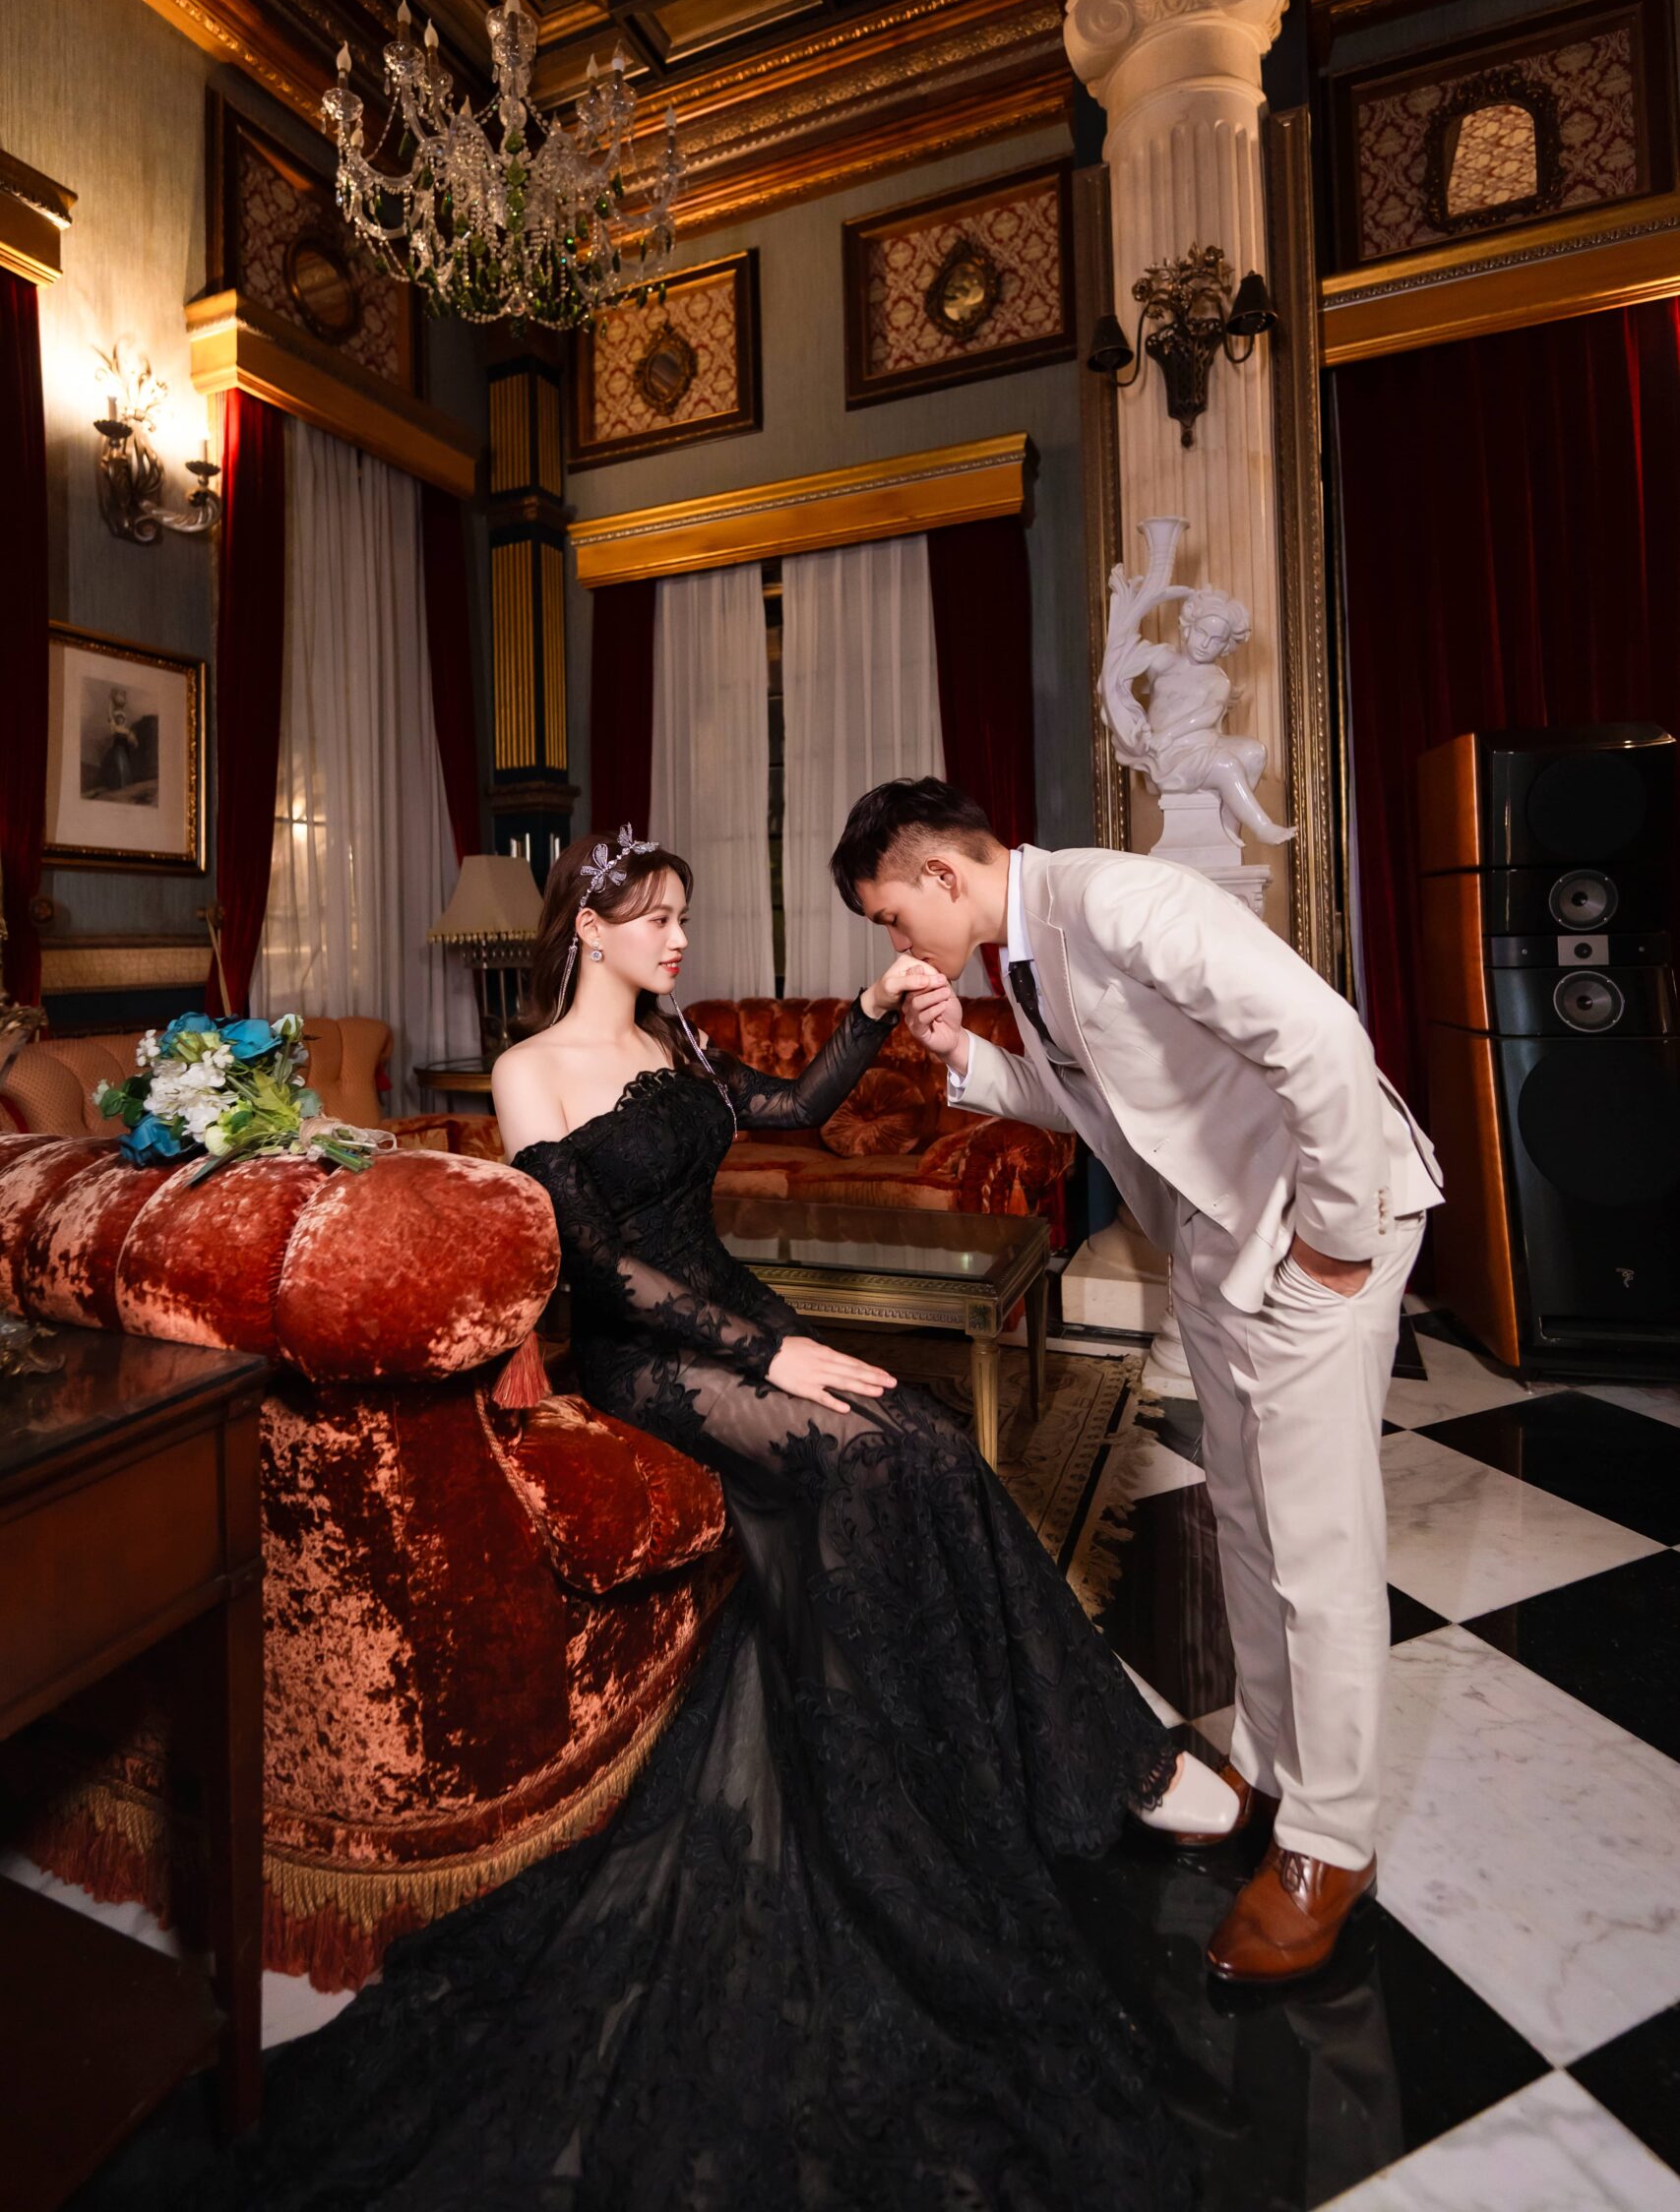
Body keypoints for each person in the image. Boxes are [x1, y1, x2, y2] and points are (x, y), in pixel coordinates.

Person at [86, 824, 1229, 2212]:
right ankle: (1006, 1762)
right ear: (589, 926)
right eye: (655, 916)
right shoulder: (529, 1071)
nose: (679, 938)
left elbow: (795, 1108)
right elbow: (600, 1270)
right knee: (875, 1466)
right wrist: (771, 1355)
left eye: (684, 914)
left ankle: (1073, 1744)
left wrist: (874, 1007)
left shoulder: (677, 1045)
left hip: (741, 1317)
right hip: (656, 1361)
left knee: (927, 1440)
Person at [833, 778, 1444, 1986]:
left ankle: (1333, 1841)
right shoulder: (1024, 952)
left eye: (893, 914)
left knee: (1317, 1537)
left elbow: (1321, 1034)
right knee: (1247, 1519)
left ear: (943, 874)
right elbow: (1092, 1106)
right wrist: (964, 1056)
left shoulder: (1117, 901)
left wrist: (1334, 1238)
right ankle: (1270, 1770)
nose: (895, 940)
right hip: (1217, 1235)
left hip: (1314, 1220)